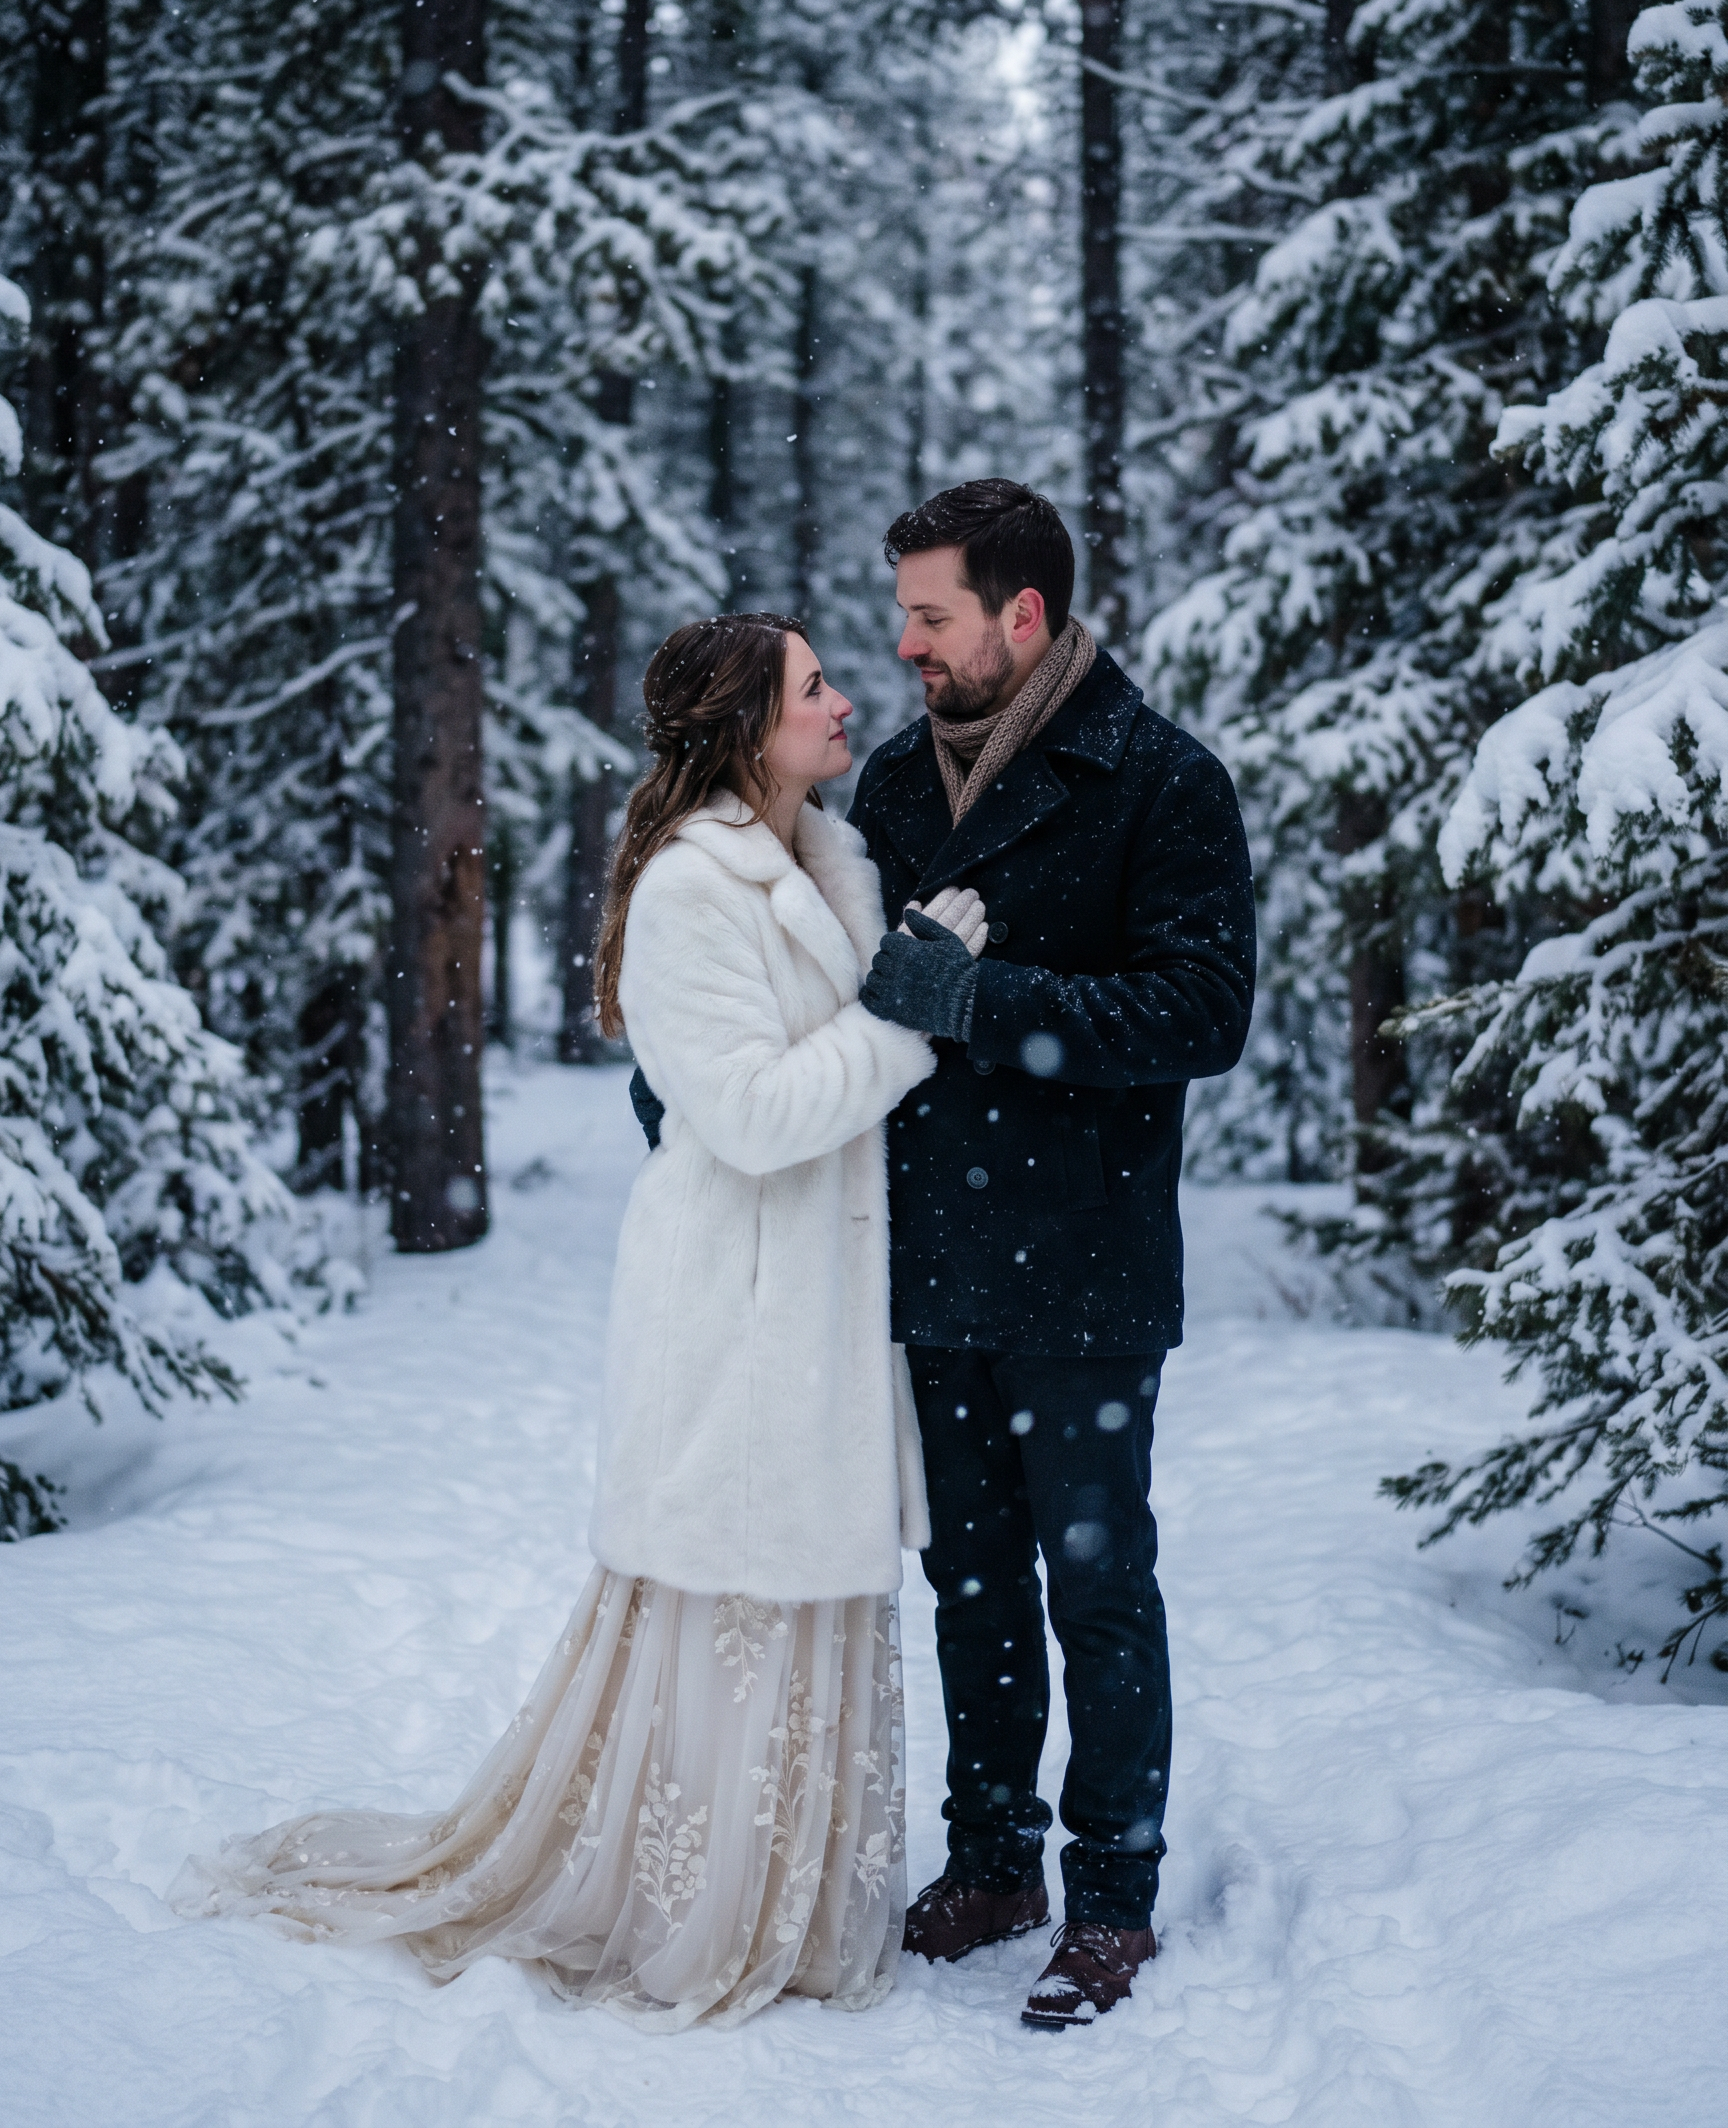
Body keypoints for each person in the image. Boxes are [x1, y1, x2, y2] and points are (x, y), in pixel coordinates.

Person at [171, 612, 989, 2031]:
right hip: (741, 1305)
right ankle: (700, 1913)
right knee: (735, 1605)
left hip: (826, 1304)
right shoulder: (691, 889)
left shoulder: (830, 859)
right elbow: (748, 1115)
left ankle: (787, 1908)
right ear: (748, 728)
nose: (845, 702)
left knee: (805, 1601)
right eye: (812, 687)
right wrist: (908, 1016)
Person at [848, 480, 1256, 2031]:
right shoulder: (894, 783)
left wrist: (982, 1000)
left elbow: (1200, 1013)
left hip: (1085, 1255)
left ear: (1022, 616)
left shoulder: (1161, 778)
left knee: (1097, 1583)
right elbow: (849, 984)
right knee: (970, 1583)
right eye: (902, 613)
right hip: (930, 1249)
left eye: (932, 616)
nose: (906, 645)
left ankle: (1113, 1895)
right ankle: (991, 1864)